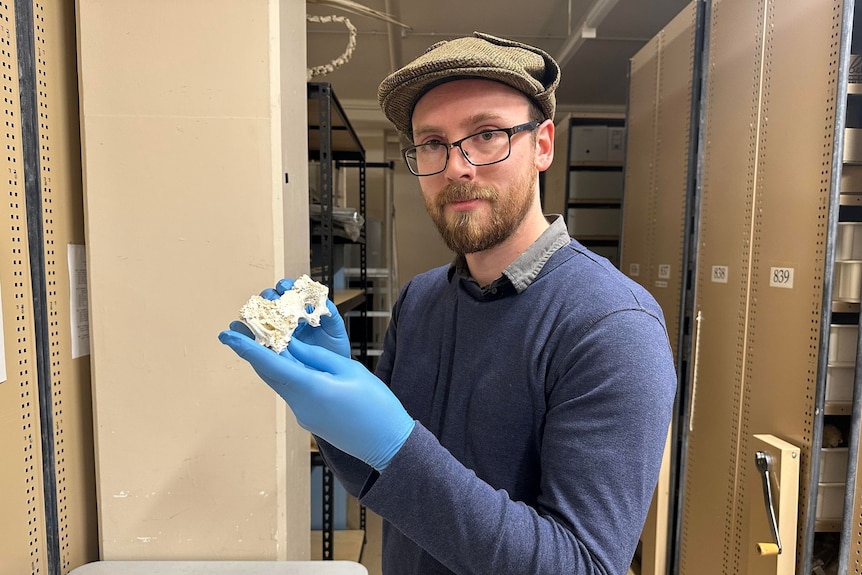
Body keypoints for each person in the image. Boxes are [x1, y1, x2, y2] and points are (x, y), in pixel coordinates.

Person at [219, 31, 677, 575]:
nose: (456, 166)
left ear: (543, 145)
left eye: (486, 135)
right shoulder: (422, 298)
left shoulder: (611, 325)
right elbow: (385, 483)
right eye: (432, 143)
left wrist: (397, 447)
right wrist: (329, 408)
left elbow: (584, 567)